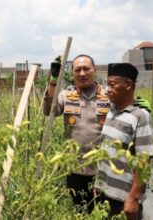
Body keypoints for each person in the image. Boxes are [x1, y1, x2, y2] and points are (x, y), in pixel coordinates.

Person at [43, 54, 111, 213]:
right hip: (74, 168)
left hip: (101, 169)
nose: (82, 73)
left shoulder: (107, 95)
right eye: (77, 70)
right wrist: (53, 80)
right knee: (79, 210)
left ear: (94, 70)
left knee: (101, 211)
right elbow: (49, 111)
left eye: (86, 69)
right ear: (72, 73)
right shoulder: (67, 95)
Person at [94, 63, 153, 219]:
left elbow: (144, 161)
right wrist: (98, 183)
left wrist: (133, 198)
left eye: (112, 84)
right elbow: (105, 152)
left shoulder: (141, 116)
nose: (107, 89)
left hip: (124, 199)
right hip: (105, 193)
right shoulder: (111, 112)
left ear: (128, 85)